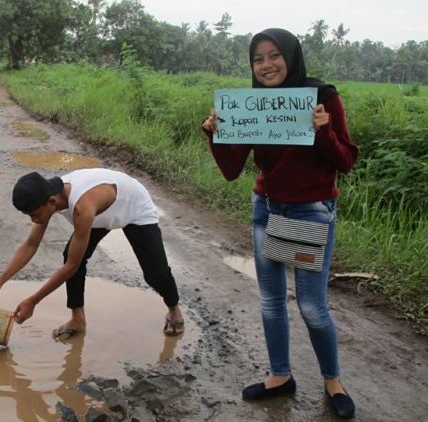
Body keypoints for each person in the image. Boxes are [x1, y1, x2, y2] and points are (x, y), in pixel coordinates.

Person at [201, 28, 358, 418]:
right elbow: (232, 170)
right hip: (268, 209)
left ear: (290, 56)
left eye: (274, 56)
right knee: (271, 302)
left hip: (308, 212)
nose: (266, 65)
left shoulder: (322, 98)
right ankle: (280, 376)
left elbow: (346, 161)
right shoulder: (249, 105)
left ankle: (332, 381)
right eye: (258, 59)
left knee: (310, 306)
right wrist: (216, 136)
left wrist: (321, 131)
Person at [0, 168, 185, 340]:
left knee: (155, 274)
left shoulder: (82, 208)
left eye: (34, 214)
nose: (33, 220)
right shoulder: (49, 195)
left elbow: (71, 267)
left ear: (51, 203)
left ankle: (174, 310)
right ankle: (77, 320)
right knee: (72, 254)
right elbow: (30, 245)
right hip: (100, 214)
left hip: (133, 208)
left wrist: (33, 301)